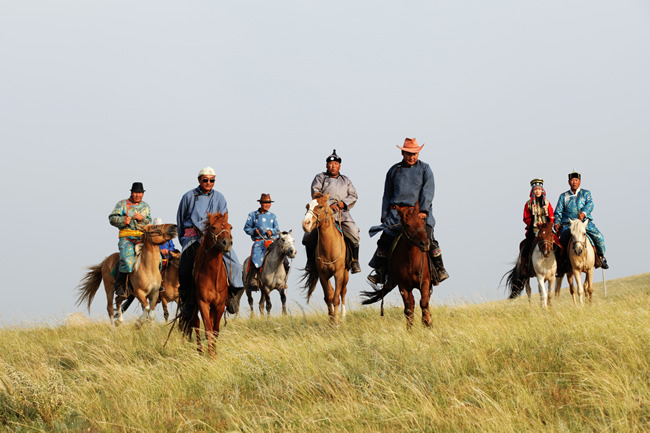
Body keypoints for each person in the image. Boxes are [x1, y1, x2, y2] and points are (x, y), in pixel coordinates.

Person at [368, 138, 449, 285]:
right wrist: (384, 215)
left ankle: (439, 268)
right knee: (384, 240)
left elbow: (428, 191)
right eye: (408, 154)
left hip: (418, 213)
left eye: (414, 154)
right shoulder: (393, 170)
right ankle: (380, 272)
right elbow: (387, 194)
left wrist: (423, 210)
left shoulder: (425, 169)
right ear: (402, 153)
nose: (411, 157)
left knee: (429, 239)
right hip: (396, 214)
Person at [176, 167, 244, 315]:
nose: (208, 182)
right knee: (185, 266)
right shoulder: (188, 196)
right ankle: (187, 300)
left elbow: (224, 219)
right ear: (199, 180)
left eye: (211, 180)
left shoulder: (219, 197)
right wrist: (184, 240)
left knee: (235, 264)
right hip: (193, 237)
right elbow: (180, 221)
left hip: (214, 238)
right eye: (205, 180)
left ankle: (233, 295)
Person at [303, 149, 362, 274]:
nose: (333, 166)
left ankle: (355, 261)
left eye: (335, 164)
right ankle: (310, 261)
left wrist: (342, 203)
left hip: (342, 214)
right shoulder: (320, 178)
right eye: (330, 164)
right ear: (326, 165)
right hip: (323, 213)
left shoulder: (346, 180)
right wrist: (329, 205)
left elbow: (353, 195)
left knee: (354, 232)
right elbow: (316, 194)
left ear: (339, 166)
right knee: (308, 236)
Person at [554, 170, 609, 269]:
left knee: (599, 237)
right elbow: (558, 211)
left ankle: (600, 257)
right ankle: (563, 263)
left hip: (584, 223)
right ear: (568, 182)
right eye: (572, 180)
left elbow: (590, 204)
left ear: (579, 181)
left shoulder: (586, 193)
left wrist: (584, 213)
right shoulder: (564, 196)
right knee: (562, 242)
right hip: (569, 225)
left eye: (576, 180)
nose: (574, 182)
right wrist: (557, 222)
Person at [108, 182, 151, 297]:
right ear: (131, 193)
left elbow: (149, 221)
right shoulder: (122, 204)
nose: (138, 195)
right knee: (127, 260)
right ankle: (120, 285)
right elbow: (112, 218)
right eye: (136, 193)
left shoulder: (146, 207)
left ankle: (156, 283)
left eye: (140, 193)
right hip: (127, 237)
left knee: (156, 258)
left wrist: (143, 219)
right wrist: (123, 220)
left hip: (142, 237)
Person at [243, 193, 289, 288]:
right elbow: (246, 228)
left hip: (273, 242)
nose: (267, 204)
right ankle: (253, 278)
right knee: (255, 258)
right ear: (261, 203)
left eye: (268, 203)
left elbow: (277, 229)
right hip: (259, 242)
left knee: (284, 259)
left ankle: (283, 280)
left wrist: (271, 232)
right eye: (265, 203)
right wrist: (253, 231)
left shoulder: (273, 216)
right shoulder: (253, 215)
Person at [519, 178, 558, 275]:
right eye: (535, 189)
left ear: (542, 190)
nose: (537, 191)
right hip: (534, 229)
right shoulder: (528, 204)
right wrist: (533, 224)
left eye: (539, 189)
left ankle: (559, 264)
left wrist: (549, 225)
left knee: (558, 243)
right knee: (527, 245)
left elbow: (551, 216)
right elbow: (526, 218)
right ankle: (524, 266)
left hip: (546, 229)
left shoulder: (547, 203)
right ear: (532, 190)